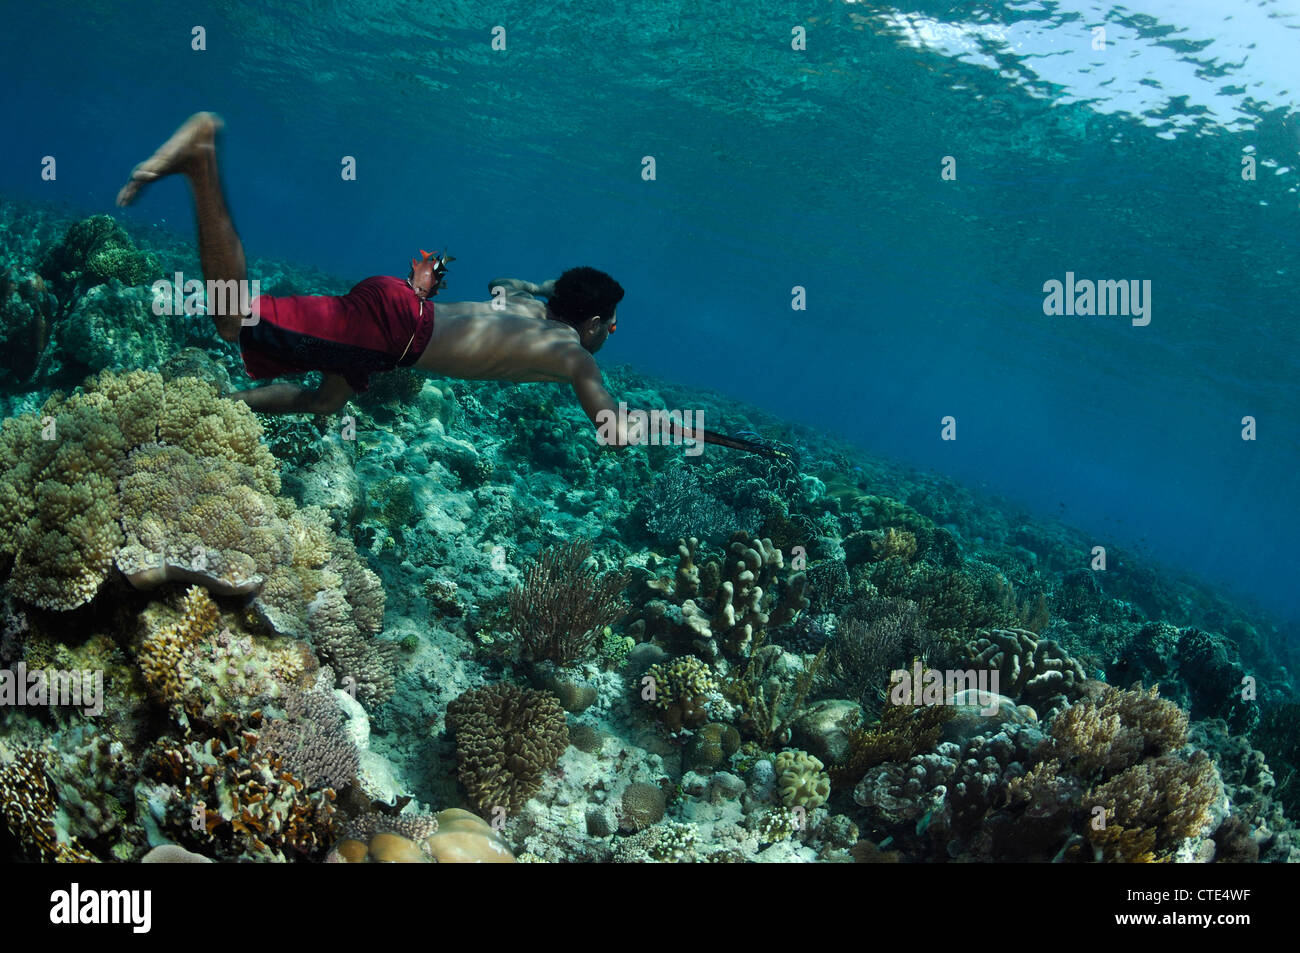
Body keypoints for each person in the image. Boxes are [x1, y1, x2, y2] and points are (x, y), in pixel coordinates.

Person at [116, 112, 639, 448]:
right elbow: (611, 430)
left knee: (326, 402)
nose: (610, 334)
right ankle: (200, 161)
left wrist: (557, 287)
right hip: (394, 329)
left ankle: (220, 406)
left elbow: (502, 279)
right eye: (610, 324)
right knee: (232, 319)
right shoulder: (575, 355)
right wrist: (663, 427)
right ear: (590, 320)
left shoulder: (527, 301)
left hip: (395, 329)